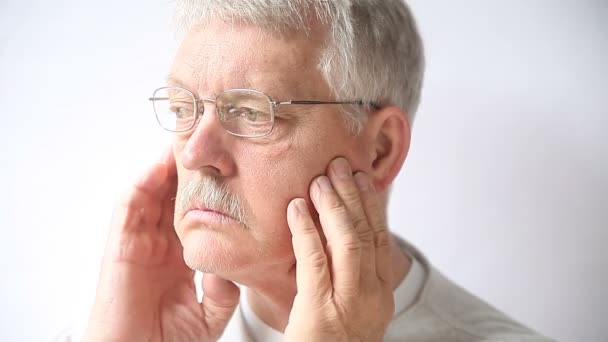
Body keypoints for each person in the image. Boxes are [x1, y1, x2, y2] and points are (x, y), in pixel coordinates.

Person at [75, 1, 553, 341]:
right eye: (183, 108)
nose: (197, 152)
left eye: (251, 112)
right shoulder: (122, 332)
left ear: (381, 150)